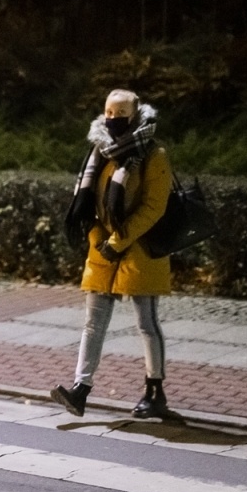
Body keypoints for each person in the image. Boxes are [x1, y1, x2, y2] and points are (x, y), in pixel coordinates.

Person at [51, 88, 174, 419]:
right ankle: (80, 390)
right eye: (109, 113)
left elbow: (154, 207)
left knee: (146, 323)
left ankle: (155, 392)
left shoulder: (153, 154)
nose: (113, 120)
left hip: (141, 249)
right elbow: (87, 203)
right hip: (103, 249)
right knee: (93, 323)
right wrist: (98, 238)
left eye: (121, 115)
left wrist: (118, 241)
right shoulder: (100, 152)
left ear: (136, 115)